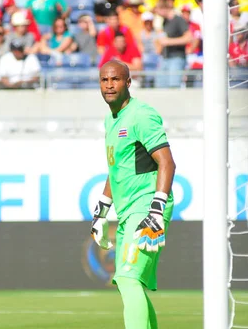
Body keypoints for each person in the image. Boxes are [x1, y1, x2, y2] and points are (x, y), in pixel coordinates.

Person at [91, 59, 175, 329]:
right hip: (127, 212)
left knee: (127, 279)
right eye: (104, 80)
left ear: (128, 83)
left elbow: (167, 162)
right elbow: (116, 168)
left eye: (115, 79)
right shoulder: (110, 119)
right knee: (130, 282)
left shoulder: (141, 114)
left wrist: (156, 210)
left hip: (147, 208)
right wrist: (102, 212)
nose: (109, 85)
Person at [155, 0, 192, 88]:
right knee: (160, 85)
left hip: (177, 57)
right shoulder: (164, 21)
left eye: (158, 10)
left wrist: (169, 41)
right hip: (165, 57)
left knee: (174, 85)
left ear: (164, 9)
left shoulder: (179, 19)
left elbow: (189, 37)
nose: (157, 13)